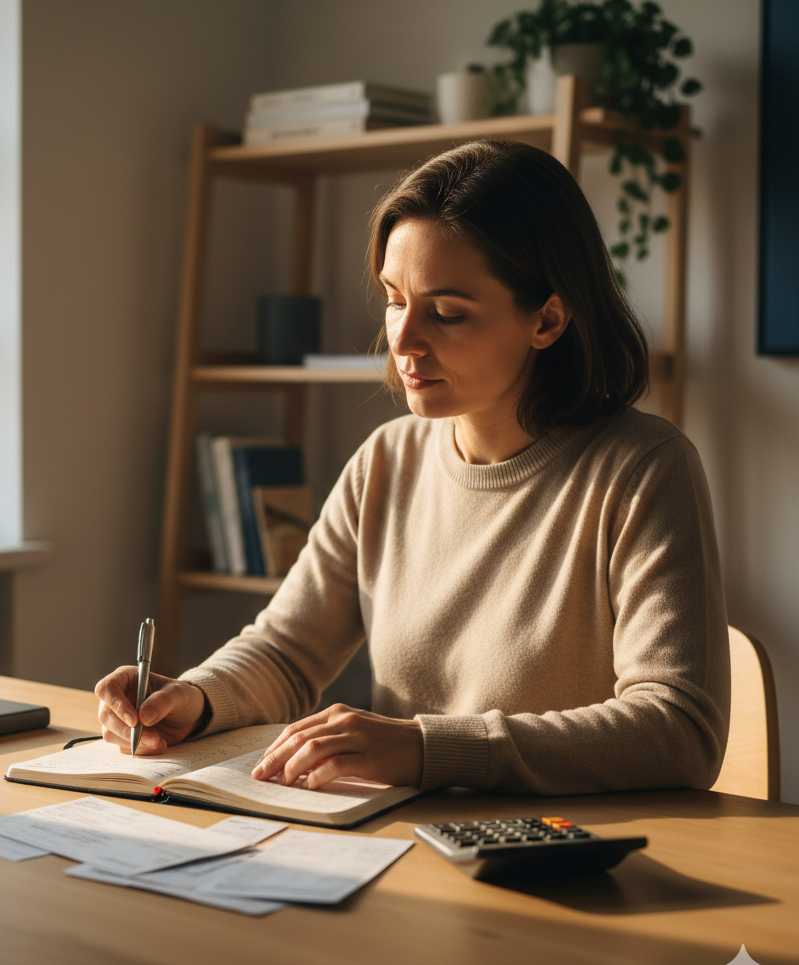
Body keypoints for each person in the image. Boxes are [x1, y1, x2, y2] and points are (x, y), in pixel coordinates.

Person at [96, 139, 730, 796]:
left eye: (447, 312)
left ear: (546, 320)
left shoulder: (643, 470)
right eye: (395, 299)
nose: (401, 340)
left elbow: (678, 729)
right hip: (392, 839)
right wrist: (194, 699)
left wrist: (427, 747)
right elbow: (286, 652)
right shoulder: (386, 461)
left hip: (554, 861)